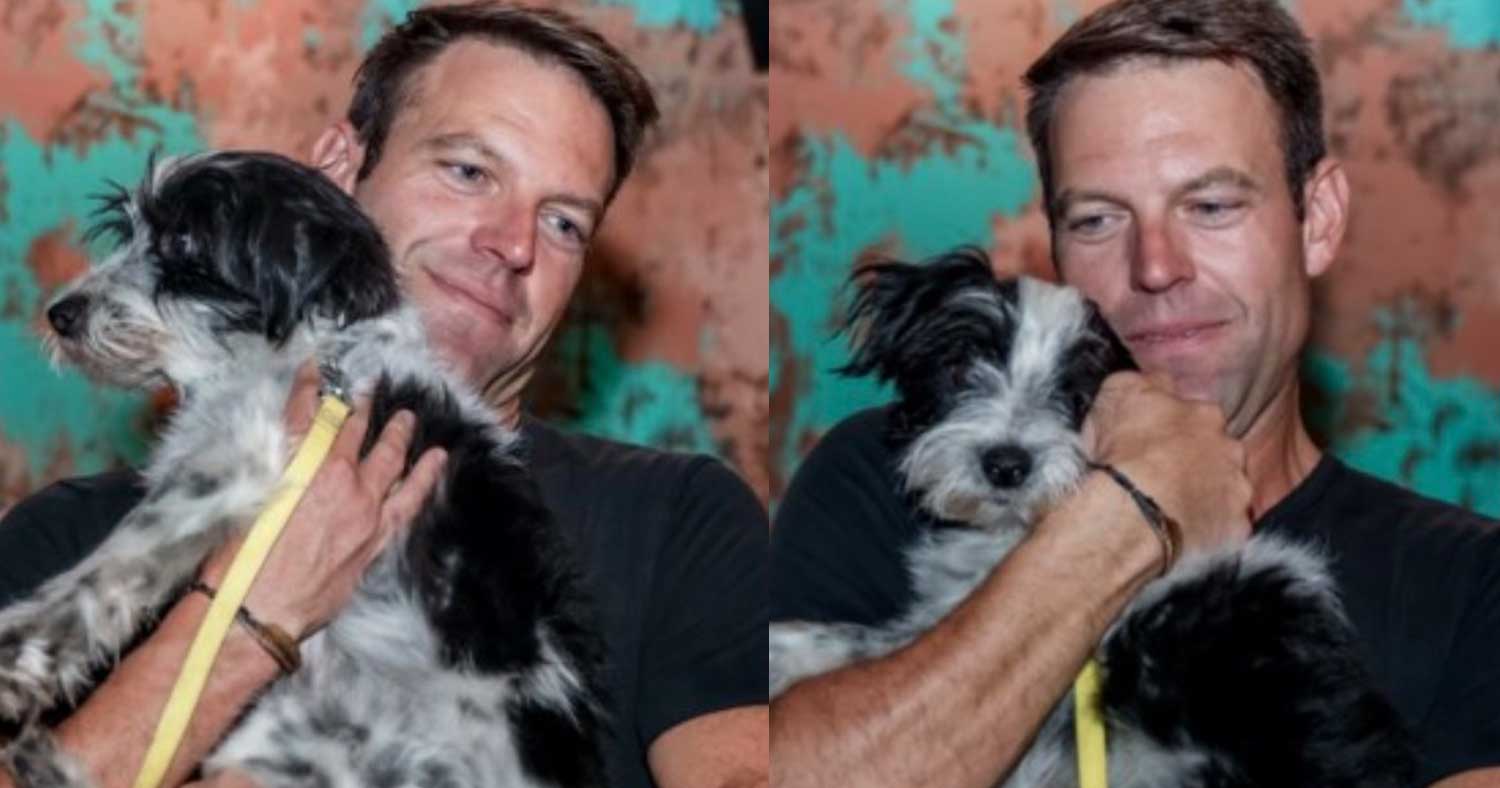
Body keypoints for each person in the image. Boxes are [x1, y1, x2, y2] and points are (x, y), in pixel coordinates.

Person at [0, 4, 768, 787]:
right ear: (337, 166)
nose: (513, 243)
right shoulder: (64, 539)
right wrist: (249, 619)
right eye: (468, 172)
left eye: (564, 223)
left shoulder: (677, 520)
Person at [770, 0, 1500, 785]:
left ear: (1316, 220)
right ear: (1053, 242)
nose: (1155, 266)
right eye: (1096, 220)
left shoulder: (1467, 582)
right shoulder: (880, 479)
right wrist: (1123, 521)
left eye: (1211, 206)